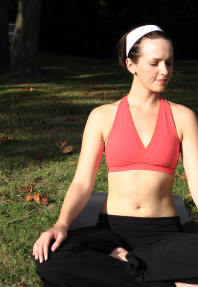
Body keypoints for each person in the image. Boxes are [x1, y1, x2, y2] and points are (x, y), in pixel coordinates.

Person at [33, 25, 198, 287]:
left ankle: (124, 263)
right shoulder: (102, 116)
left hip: (165, 232)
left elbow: (197, 183)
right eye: (155, 63)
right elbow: (82, 182)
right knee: (51, 259)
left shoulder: (183, 117)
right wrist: (61, 224)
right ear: (131, 64)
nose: (165, 71)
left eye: (169, 62)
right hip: (112, 231)